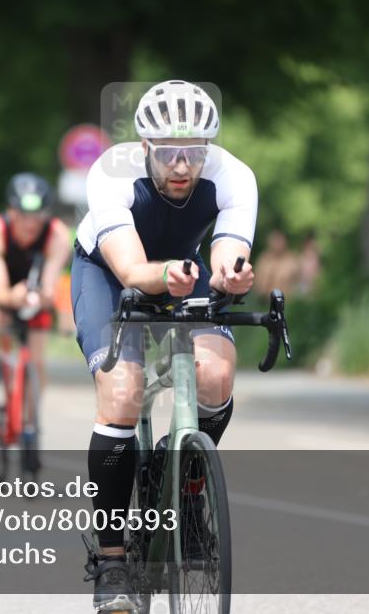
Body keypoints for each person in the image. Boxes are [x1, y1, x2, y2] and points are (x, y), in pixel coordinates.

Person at [71, 80, 257, 610]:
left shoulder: (233, 175)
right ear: (146, 146)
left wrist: (231, 278)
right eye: (171, 152)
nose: (183, 165)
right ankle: (111, 561)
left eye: (195, 151)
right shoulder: (111, 173)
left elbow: (225, 254)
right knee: (123, 392)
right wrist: (163, 278)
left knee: (216, 375)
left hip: (185, 265)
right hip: (108, 270)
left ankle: (185, 489)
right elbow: (130, 268)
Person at [0, 173, 70, 445]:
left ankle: (29, 421)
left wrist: (45, 299)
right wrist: (12, 297)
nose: (30, 222)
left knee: (37, 358)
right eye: (23, 214)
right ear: (11, 211)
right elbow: (1, 289)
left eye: (37, 215)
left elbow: (50, 285)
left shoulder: (58, 235)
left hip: (33, 281)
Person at [252, 229, 298, 301]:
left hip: (286, 301)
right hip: (264, 300)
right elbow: (257, 282)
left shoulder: (292, 260)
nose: (277, 244)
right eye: (275, 240)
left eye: (279, 240)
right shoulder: (264, 258)